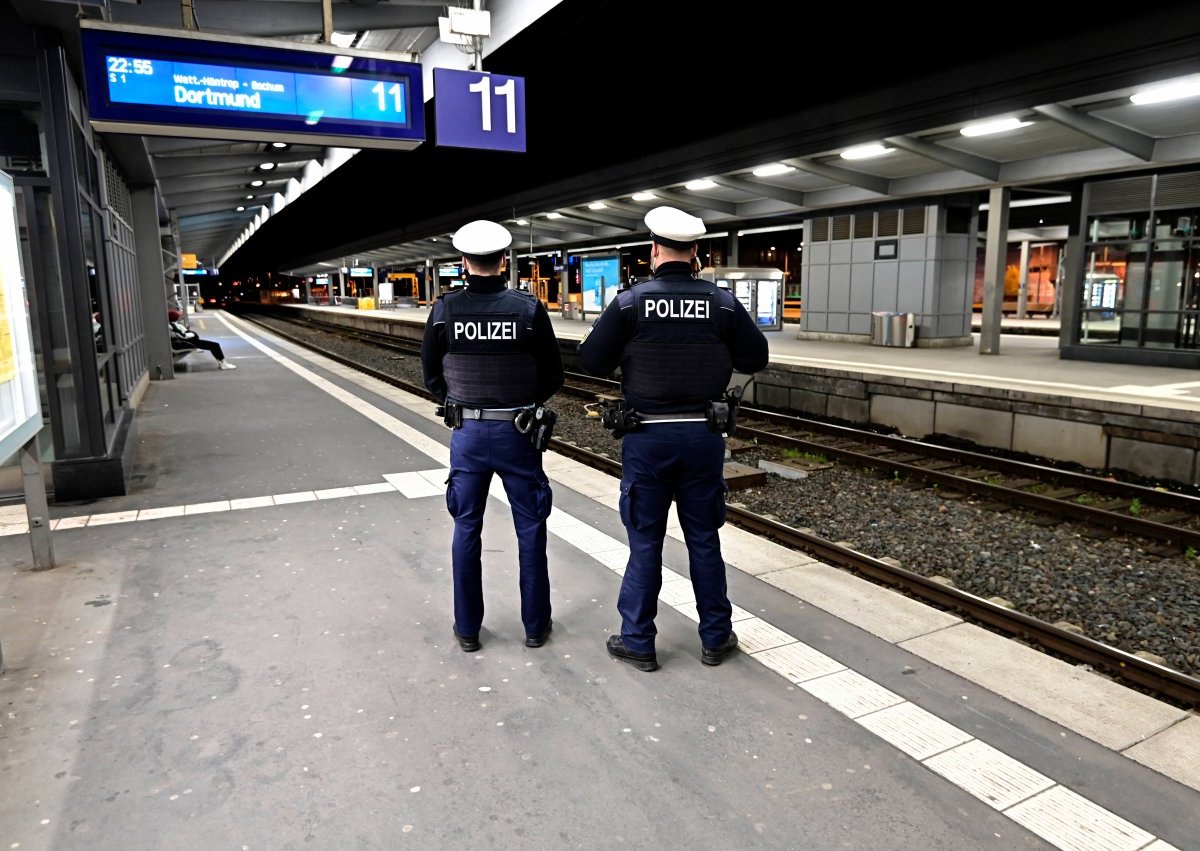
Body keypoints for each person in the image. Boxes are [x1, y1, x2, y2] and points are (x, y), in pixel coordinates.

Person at [577, 206, 770, 672]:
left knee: (645, 542)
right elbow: (756, 358)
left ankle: (639, 641)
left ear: (654, 251)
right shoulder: (721, 304)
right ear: (696, 253)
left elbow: (591, 363)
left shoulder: (629, 303)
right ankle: (716, 638)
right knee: (704, 539)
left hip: (647, 440)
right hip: (703, 438)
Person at [420, 219, 564, 653]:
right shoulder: (528, 310)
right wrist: (522, 404)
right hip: (518, 435)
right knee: (531, 528)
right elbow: (554, 373)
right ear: (505, 261)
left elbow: (430, 376)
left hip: (467, 433)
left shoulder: (444, 311)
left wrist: (459, 401)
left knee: (466, 528)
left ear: (463, 262)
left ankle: (468, 630)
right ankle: (536, 627)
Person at [169, 309, 236, 369]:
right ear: (174, 317)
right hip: (190, 342)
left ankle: (222, 362)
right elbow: (183, 335)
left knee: (214, 345)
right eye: (177, 315)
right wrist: (192, 334)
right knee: (215, 345)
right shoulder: (173, 326)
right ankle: (223, 363)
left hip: (189, 341)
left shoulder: (172, 324)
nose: (179, 316)